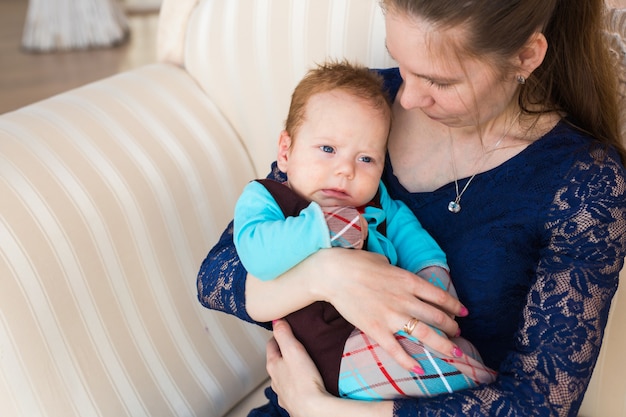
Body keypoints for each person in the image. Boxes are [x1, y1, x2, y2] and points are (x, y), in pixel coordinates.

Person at [197, 0, 626, 415]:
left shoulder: (584, 182)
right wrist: (330, 276)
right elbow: (218, 274)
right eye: (400, 62)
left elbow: (539, 403)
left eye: (439, 82)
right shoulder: (360, 104)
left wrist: (321, 410)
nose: (405, 99)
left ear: (525, 56)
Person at [232, 61, 496, 401]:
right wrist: (321, 227)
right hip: (329, 353)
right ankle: (478, 388)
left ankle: (475, 385)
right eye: (328, 149)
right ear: (285, 151)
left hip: (388, 331)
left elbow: (409, 234)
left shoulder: (378, 205)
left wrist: (431, 277)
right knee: (445, 371)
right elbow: (257, 254)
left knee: (454, 354)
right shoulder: (266, 198)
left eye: (366, 159)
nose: (345, 170)